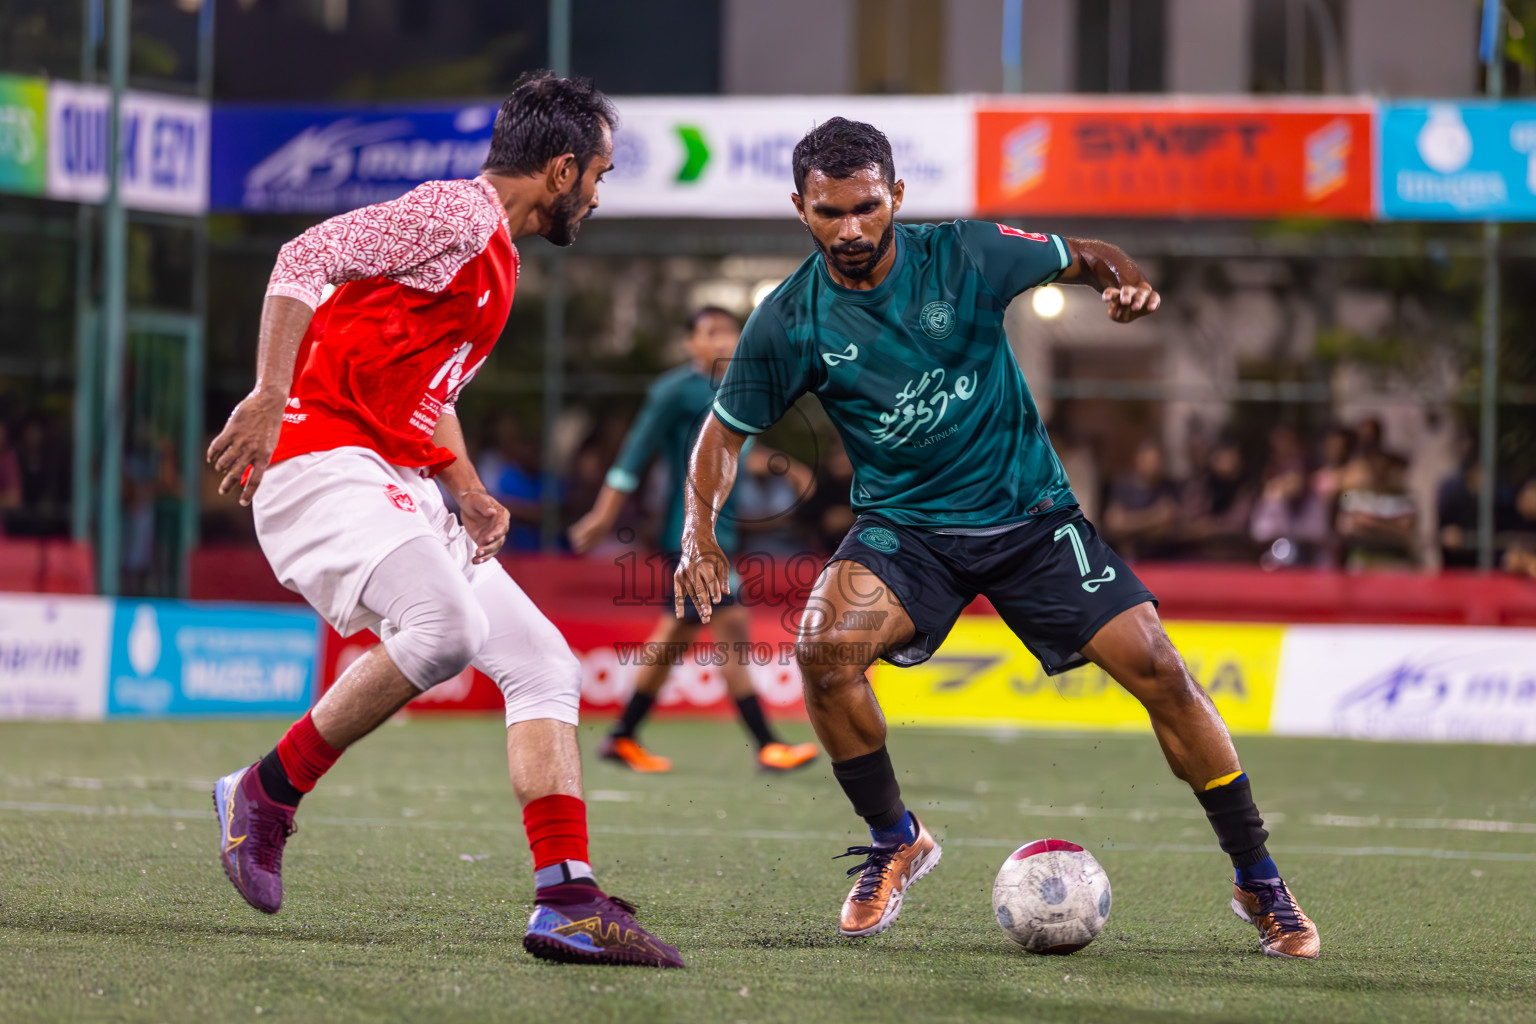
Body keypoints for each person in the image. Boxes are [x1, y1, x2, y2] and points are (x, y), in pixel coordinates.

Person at [675, 118, 1319, 959]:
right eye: (831, 213)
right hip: (906, 531)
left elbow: (1088, 254)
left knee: (1161, 670)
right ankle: (895, 839)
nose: (853, 229)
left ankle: (1258, 879)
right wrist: (699, 533)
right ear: (800, 207)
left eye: (868, 207)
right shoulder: (789, 318)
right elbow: (722, 436)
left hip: (1033, 521)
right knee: (823, 652)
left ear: (896, 197)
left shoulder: (967, 254)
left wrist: (1124, 284)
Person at [204, 71, 682, 969]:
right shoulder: (461, 216)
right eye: (601, 176)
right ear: (562, 168)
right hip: (318, 461)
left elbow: (428, 393)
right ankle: (264, 794)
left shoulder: (493, 252)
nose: (599, 194)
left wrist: (465, 485)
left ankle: (568, 899)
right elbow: (305, 256)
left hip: (391, 471)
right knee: (446, 626)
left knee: (542, 663)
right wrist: (271, 392)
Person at [568, 306, 820, 774]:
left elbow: (731, 447)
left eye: (729, 332)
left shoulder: (737, 388)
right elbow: (634, 453)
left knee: (682, 634)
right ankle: (767, 744)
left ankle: (622, 735)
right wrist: (604, 515)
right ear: (691, 344)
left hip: (719, 535)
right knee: (729, 630)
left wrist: (780, 464)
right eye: (711, 333)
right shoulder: (672, 391)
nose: (723, 341)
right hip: (688, 535)